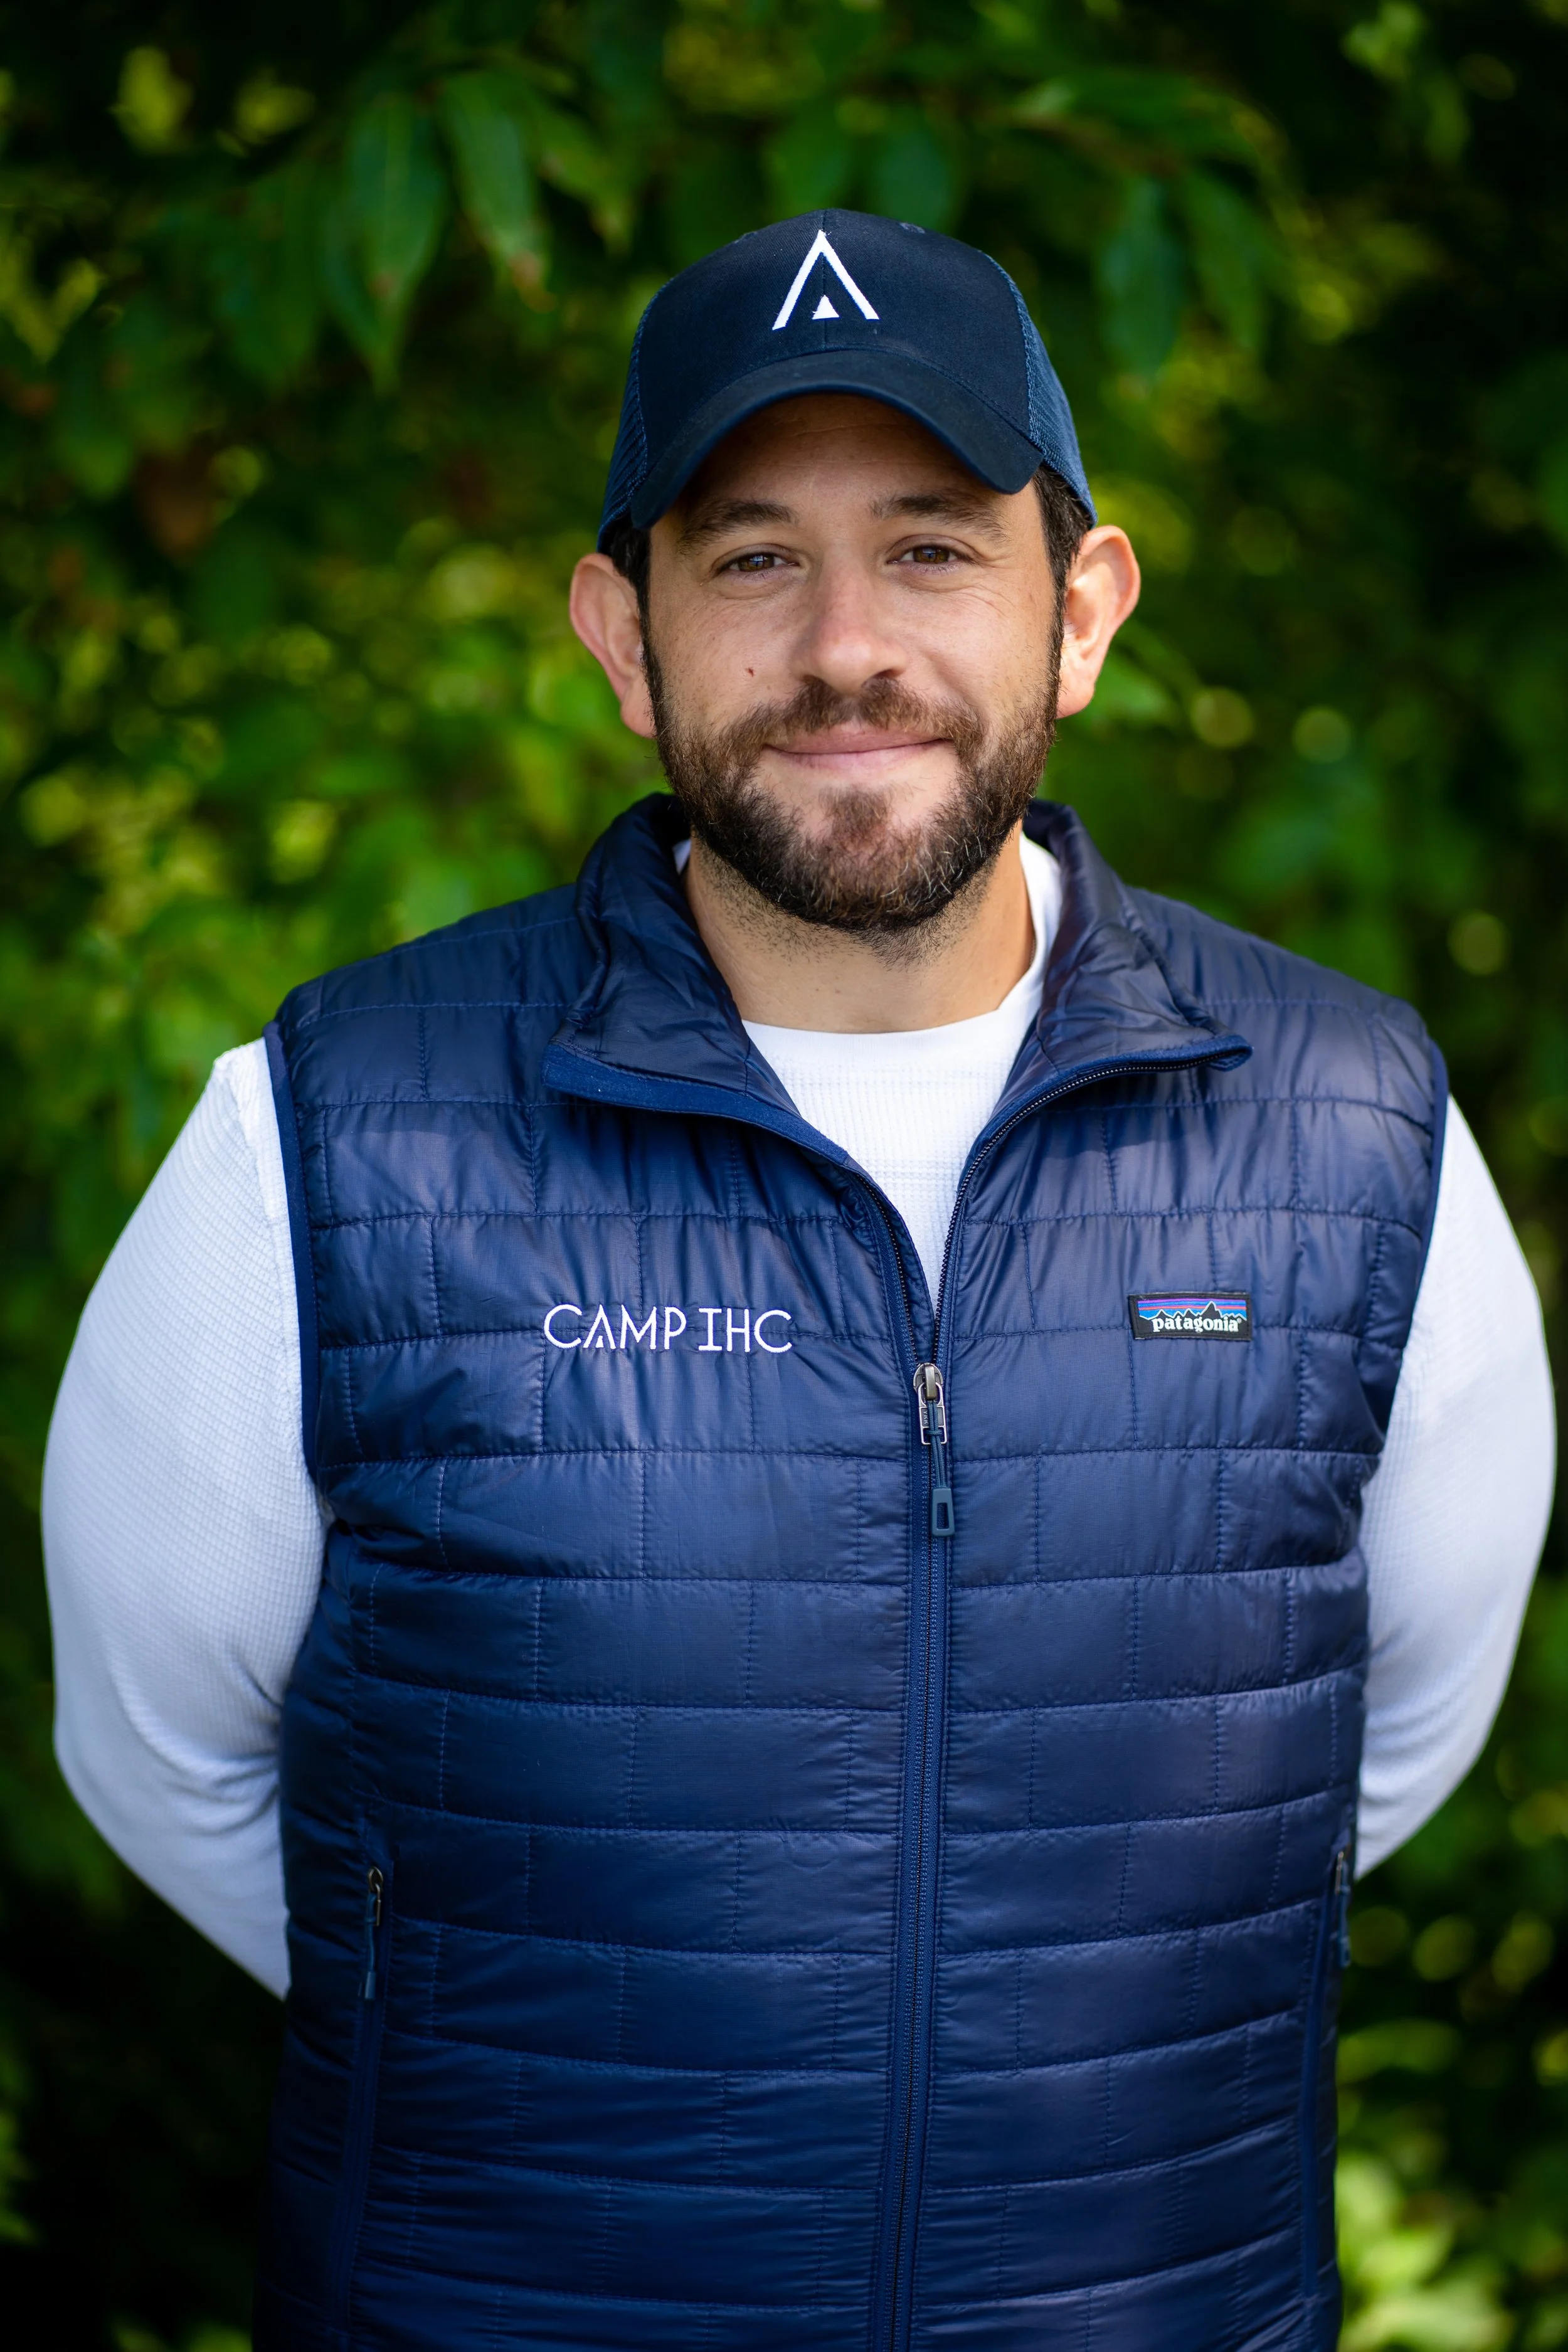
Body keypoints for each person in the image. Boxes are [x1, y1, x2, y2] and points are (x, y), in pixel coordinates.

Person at [44, 209, 1552, 2351]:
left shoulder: (1352, 1126)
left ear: (1082, 611)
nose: (847, 642)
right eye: (752, 556)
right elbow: (161, 1758)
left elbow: (1354, 1771)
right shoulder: (323, 1128)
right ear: (622, 633)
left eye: (932, 545)